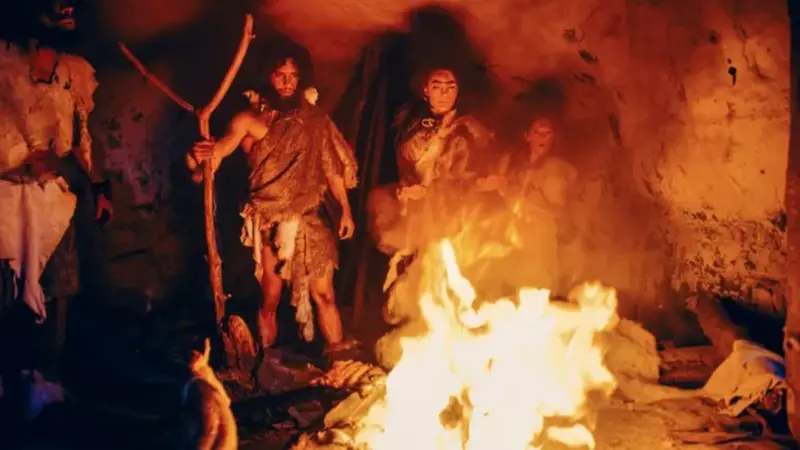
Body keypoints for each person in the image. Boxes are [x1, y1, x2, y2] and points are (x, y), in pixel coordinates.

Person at [189, 40, 359, 356]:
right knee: (271, 296)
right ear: (267, 76)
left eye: (293, 76)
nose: (287, 82)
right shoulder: (249, 121)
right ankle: (267, 360)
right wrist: (199, 157)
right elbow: (218, 153)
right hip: (271, 221)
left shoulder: (315, 119)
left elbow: (331, 167)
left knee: (325, 294)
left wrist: (346, 210)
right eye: (280, 75)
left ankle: (337, 356)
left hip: (310, 218)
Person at [0, 0, 113, 425]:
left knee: (58, 288)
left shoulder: (72, 72)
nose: (67, 9)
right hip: (6, 202)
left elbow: (82, 139)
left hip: (55, 202)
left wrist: (99, 187)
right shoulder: (4, 64)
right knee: (7, 290)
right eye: (56, 4)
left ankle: (47, 388)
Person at [367, 67, 503, 295]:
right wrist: (408, 191)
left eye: (450, 88)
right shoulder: (410, 125)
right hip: (416, 214)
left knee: (452, 276)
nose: (444, 94)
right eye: (437, 87)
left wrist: (479, 184)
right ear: (426, 91)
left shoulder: (471, 130)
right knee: (413, 278)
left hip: (456, 214)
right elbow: (405, 165)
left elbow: (474, 173)